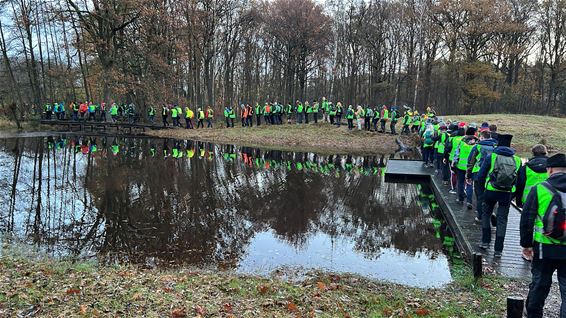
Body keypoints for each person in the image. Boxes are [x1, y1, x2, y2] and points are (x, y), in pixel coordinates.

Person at [520, 153, 566, 317]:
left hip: (543, 248)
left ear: (550, 170)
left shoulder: (540, 188)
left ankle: (533, 314)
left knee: (540, 285)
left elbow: (527, 219)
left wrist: (526, 245)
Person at [477, 134, 522, 257]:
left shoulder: (491, 156)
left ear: (498, 144)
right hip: (506, 194)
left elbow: (481, 176)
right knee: (502, 220)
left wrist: (481, 193)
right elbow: (520, 181)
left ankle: (485, 242)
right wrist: (513, 195)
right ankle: (498, 250)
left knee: (486, 214)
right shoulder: (517, 160)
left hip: (491, 191)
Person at [467, 130, 497, 223]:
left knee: (480, 196)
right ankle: (491, 212)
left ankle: (480, 217)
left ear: (482, 137)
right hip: (491, 174)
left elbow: (471, 160)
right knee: (490, 194)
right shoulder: (495, 147)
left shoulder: (477, 146)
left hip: (478, 173)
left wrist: (468, 174)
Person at [453, 127, 478, 208]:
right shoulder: (477, 143)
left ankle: (460, 199)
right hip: (472, 168)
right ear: (474, 133)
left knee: (460, 182)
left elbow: (457, 153)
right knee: (470, 184)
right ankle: (469, 202)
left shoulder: (462, 142)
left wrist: (454, 163)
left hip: (460, 166)